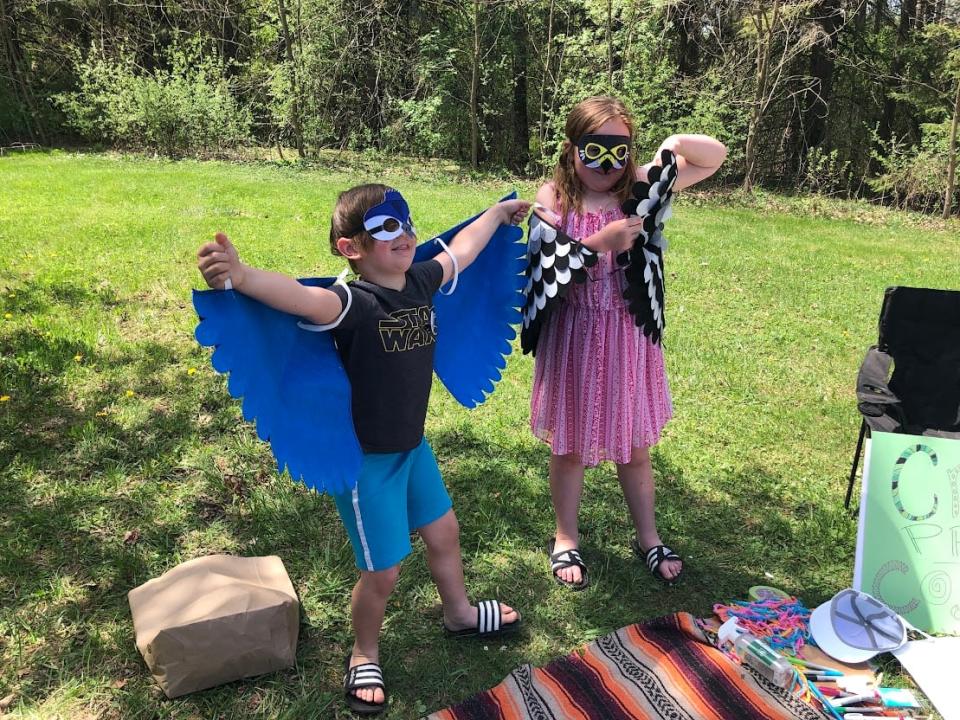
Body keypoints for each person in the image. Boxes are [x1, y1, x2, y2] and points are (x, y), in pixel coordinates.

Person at [197, 184, 529, 715]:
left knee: (445, 532)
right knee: (384, 572)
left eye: (406, 224)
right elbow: (299, 297)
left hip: (413, 449)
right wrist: (240, 276)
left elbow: (461, 251)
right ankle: (364, 651)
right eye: (385, 228)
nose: (404, 236)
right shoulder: (353, 303)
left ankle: (459, 613)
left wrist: (494, 213)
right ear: (351, 248)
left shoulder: (419, 280)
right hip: (367, 463)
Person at [528, 96, 726, 591]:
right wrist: (601, 243)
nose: (606, 163)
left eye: (619, 149)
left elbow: (714, 156)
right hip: (573, 334)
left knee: (636, 447)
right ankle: (565, 536)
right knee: (569, 446)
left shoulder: (641, 187)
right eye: (594, 148)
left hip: (628, 334)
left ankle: (648, 535)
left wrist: (673, 145)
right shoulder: (554, 197)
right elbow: (547, 269)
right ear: (572, 148)